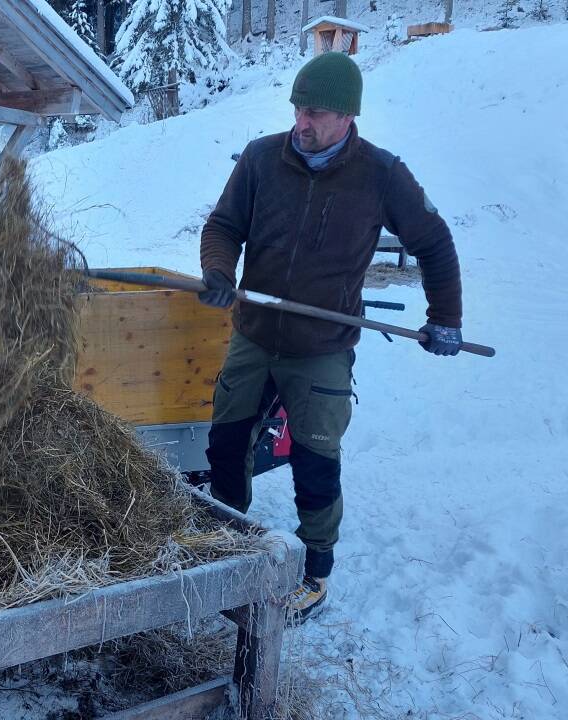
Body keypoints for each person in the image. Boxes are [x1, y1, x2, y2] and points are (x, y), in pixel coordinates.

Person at [197, 52, 464, 623]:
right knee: (226, 444)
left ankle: (314, 572)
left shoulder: (382, 175)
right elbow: (223, 226)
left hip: (322, 347)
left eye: (315, 112)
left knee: (315, 459)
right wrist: (220, 272)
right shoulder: (261, 158)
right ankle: (226, 549)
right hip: (254, 332)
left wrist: (446, 317)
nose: (302, 122)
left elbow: (435, 244)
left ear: (347, 116)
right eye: (297, 108)